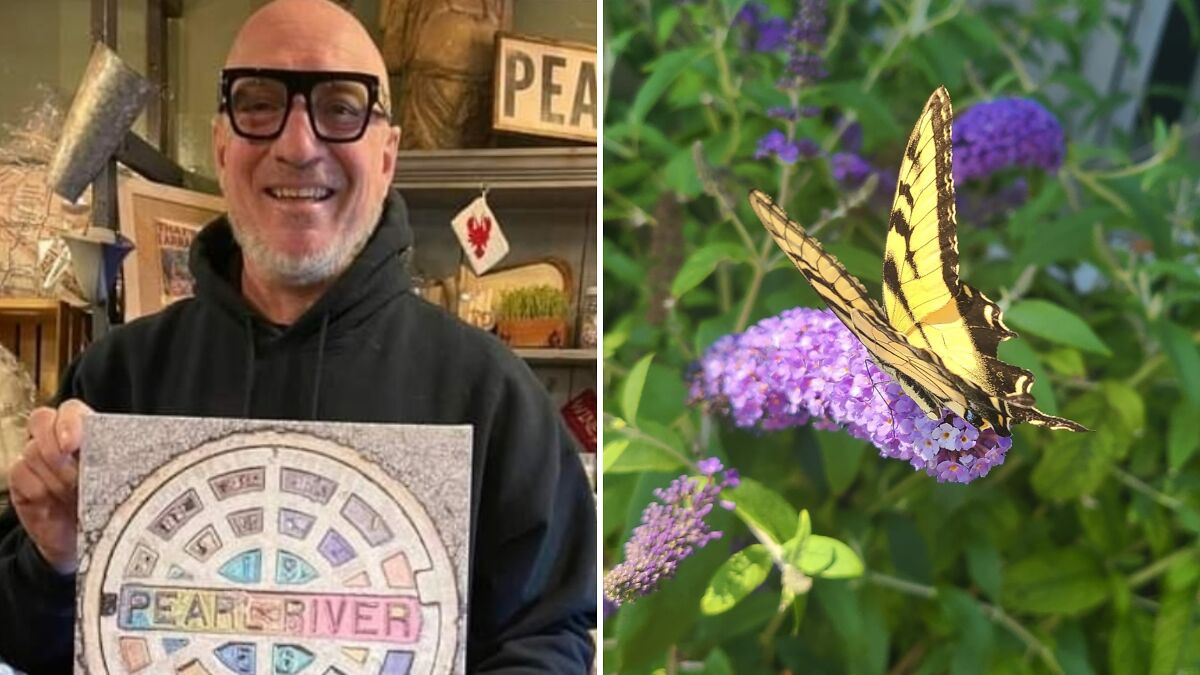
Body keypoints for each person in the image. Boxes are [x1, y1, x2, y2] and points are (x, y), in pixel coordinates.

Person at [0, 0, 597, 672]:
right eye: (259, 103)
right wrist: (54, 562)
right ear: (222, 146)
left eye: (342, 107)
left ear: (389, 153)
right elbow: (26, 646)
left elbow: (548, 638)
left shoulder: (494, 397)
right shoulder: (117, 380)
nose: (298, 143)